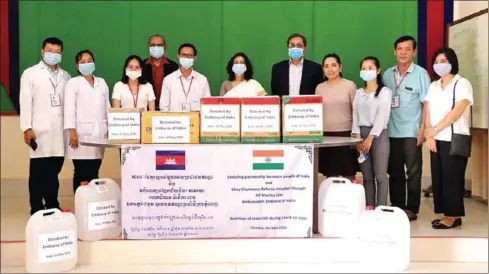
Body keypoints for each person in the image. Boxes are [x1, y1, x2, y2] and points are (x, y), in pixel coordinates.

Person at [19, 37, 71, 215]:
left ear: (61, 53)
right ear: (42, 51)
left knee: (54, 171)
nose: (53, 55)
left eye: (57, 52)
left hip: (59, 132)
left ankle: (52, 204)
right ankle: (36, 208)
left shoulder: (66, 76)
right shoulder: (30, 74)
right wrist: (26, 128)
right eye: (50, 51)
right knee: (38, 174)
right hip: (39, 132)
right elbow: (25, 102)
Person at [382, 35, 431, 221]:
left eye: (407, 49)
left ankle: (412, 209)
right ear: (394, 51)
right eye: (400, 49)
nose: (403, 52)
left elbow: (427, 104)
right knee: (394, 172)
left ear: (414, 52)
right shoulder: (387, 74)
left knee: (413, 172)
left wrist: (423, 129)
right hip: (391, 132)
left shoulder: (421, 74)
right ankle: (397, 207)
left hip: (412, 132)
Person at [423, 48, 473, 229]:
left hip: (454, 137)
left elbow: (457, 111)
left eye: (443, 61)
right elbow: (427, 110)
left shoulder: (462, 83)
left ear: (452, 62)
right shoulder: (434, 85)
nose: (439, 65)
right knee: (439, 177)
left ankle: (452, 216)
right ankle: (447, 214)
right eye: (436, 61)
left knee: (453, 177)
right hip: (435, 138)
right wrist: (429, 133)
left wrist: (435, 129)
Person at [64, 50, 110, 194]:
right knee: (81, 172)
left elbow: (107, 107)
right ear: (77, 66)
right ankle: (81, 202)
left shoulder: (101, 82)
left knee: (94, 171)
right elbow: (69, 108)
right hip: (80, 135)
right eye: (82, 62)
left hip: (99, 135)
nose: (86, 64)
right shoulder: (73, 83)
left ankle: (92, 203)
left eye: (89, 60)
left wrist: (112, 128)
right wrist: (72, 131)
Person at [352, 56, 392, 208]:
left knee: (380, 175)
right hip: (361, 134)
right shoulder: (358, 92)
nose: (367, 71)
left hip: (378, 135)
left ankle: (381, 208)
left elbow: (382, 116)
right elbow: (354, 115)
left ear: (378, 70)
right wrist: (356, 138)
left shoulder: (384, 92)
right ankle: (369, 207)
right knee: (367, 176)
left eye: (370, 68)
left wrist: (370, 138)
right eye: (364, 68)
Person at [315, 53, 357, 180]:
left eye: (333, 65)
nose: (330, 69)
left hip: (346, 135)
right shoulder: (319, 88)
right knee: (330, 174)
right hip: (326, 136)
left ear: (340, 67)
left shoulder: (350, 85)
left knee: (349, 173)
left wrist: (356, 132)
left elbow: (356, 110)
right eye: (326, 66)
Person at [159, 43, 211, 112]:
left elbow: (207, 105)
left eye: (190, 55)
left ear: (195, 58)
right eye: (183, 55)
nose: (186, 57)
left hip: (196, 121)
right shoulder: (168, 79)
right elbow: (164, 107)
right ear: (178, 56)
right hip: (174, 121)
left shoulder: (202, 80)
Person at [142, 34, 179, 110]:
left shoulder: (173, 66)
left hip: (168, 109)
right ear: (148, 47)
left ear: (164, 47)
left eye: (159, 45)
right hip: (147, 108)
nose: (156, 47)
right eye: (153, 45)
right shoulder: (141, 66)